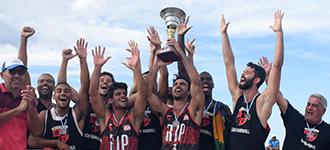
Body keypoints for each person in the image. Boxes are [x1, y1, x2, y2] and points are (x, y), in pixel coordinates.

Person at [220, 10, 284, 150]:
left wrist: (279, 33)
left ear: (256, 80)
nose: (242, 75)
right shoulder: (238, 96)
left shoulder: (262, 102)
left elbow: (277, 66)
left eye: (247, 73)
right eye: (243, 72)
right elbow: (228, 63)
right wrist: (224, 35)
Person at [28, 38, 90, 149]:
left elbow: (84, 88)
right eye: (59, 91)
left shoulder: (77, 113)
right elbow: (32, 141)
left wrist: (83, 59)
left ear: (71, 96)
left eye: (67, 91)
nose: (63, 93)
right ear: (53, 96)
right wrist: (56, 143)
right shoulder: (44, 115)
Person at [147, 38, 205, 150]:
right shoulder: (165, 111)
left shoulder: (193, 110)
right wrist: (155, 65)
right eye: (176, 84)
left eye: (182, 84)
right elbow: (148, 94)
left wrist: (180, 53)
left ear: (189, 91)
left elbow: (196, 82)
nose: (178, 86)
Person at [90, 41, 147, 150]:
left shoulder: (133, 117)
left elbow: (143, 95)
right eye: (118, 94)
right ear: (110, 100)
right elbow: (93, 94)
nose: (123, 96)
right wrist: (97, 67)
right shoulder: (105, 117)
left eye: (124, 94)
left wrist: (136, 69)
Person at [0, 26, 42, 150]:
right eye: (12, 71)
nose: (17, 75)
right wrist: (18, 109)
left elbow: (37, 131)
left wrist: (30, 107)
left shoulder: (26, 96)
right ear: (2, 75)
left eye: (20, 72)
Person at [199, 71, 232, 150]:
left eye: (208, 79)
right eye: (201, 79)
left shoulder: (223, 109)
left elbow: (231, 134)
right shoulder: (190, 107)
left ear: (213, 85)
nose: (205, 81)